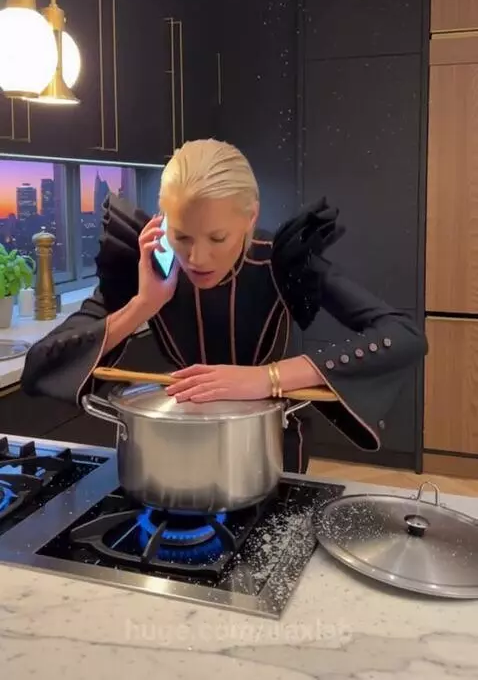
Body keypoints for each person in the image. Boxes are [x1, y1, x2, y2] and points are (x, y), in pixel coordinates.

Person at [21, 139, 428, 473]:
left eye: (217, 238)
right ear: (164, 220)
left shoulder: (282, 259)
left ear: (250, 218)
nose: (197, 258)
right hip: (170, 444)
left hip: (267, 446)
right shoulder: (145, 264)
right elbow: (40, 364)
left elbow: (403, 336)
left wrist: (266, 378)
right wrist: (144, 303)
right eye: (181, 237)